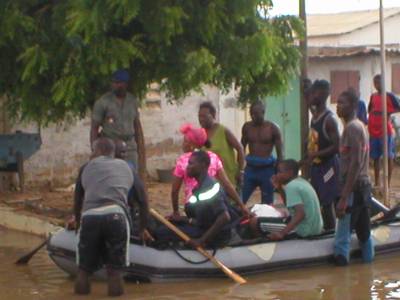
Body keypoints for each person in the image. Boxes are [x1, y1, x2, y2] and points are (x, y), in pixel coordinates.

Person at [72, 138, 146, 296]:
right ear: (113, 152)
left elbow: (78, 199)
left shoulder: (85, 168)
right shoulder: (127, 167)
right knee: (115, 272)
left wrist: (78, 223)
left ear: (97, 151)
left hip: (90, 217)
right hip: (116, 216)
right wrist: (142, 228)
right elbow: (143, 200)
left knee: (83, 271)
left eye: (93, 151)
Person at [170, 124, 249, 220]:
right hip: (213, 202)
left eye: (185, 141)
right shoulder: (212, 157)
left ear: (191, 145)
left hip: (193, 205)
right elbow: (227, 184)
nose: (183, 144)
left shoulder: (183, 161)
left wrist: (175, 212)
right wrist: (241, 205)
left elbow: (175, 191)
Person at [156, 150, 233, 248]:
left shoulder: (209, 188)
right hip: (203, 227)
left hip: (215, 236)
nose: (187, 167)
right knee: (166, 223)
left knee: (162, 232)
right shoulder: (198, 187)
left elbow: (225, 217)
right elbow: (203, 218)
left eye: (191, 163)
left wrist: (201, 240)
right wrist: (183, 219)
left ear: (203, 165)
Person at [334, 90, 374, 266]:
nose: (338, 107)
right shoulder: (358, 126)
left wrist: (344, 197)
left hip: (354, 188)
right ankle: (367, 278)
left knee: (342, 238)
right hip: (362, 186)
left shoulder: (353, 128)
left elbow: (356, 163)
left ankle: (341, 285)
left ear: (353, 106)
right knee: (364, 233)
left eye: (342, 103)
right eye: (337, 103)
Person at [90, 69, 144, 168]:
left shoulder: (133, 101)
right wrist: (95, 150)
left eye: (119, 83)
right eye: (114, 82)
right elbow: (94, 128)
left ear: (125, 84)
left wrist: (139, 149)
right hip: (110, 147)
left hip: (129, 148)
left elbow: (136, 126)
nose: (115, 85)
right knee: (111, 176)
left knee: (131, 176)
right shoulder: (102, 102)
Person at [258, 159, 323, 241]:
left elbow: (300, 214)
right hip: (315, 228)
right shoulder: (302, 182)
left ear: (290, 173)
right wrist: (279, 188)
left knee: (255, 222)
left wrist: (281, 233)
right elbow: (289, 205)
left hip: (304, 230)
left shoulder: (291, 187)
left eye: (279, 172)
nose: (277, 175)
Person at [306, 79, 340, 231]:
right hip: (317, 166)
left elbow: (337, 146)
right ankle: (323, 229)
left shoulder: (329, 120)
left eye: (313, 93)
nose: (311, 96)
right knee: (315, 199)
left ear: (322, 94)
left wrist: (316, 154)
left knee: (327, 202)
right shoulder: (315, 115)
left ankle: (331, 232)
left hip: (328, 167)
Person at [241, 100, 283, 204]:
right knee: (240, 199)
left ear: (263, 112)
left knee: (267, 203)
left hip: (267, 169)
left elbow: (280, 154)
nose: (253, 116)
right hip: (250, 168)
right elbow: (241, 147)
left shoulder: (273, 128)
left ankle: (265, 219)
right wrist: (240, 169)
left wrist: (278, 172)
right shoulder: (247, 127)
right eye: (251, 114)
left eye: (256, 114)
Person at [198, 101, 245, 188]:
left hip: (229, 179)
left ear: (213, 115)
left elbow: (240, 148)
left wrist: (241, 171)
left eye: (204, 116)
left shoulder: (223, 131)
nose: (201, 119)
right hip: (210, 183)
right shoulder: (200, 135)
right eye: (199, 116)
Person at [368, 74, 400, 188]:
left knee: (388, 156)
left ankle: (387, 183)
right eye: (375, 83)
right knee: (376, 157)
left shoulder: (389, 96)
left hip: (385, 131)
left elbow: (398, 106)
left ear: (383, 83)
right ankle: (377, 182)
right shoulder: (373, 96)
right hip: (373, 131)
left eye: (379, 82)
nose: (377, 85)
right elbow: (370, 108)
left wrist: (388, 112)